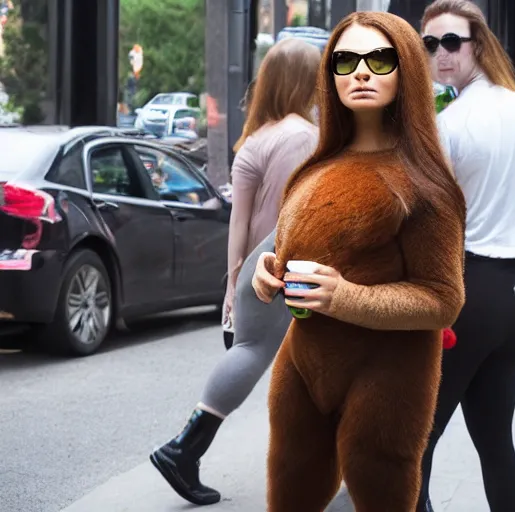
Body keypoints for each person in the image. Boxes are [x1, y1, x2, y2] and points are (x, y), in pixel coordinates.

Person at [251, 11, 466, 512]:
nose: (361, 71)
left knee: (381, 486)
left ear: (406, 69)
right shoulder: (315, 166)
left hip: (389, 374)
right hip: (301, 365)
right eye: (345, 60)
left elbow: (443, 300)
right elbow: (292, 249)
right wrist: (269, 272)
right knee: (288, 487)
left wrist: (345, 297)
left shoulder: (426, 184)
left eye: (378, 58)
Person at [149, 37, 321, 506]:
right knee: (268, 356)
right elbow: (300, 213)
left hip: (253, 268)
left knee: (264, 355)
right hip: (285, 265)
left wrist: (233, 283)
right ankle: (182, 449)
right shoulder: (302, 136)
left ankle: (187, 450)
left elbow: (238, 222)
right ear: (303, 82)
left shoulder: (254, 138)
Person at [416, 1, 515, 511]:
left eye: (451, 42)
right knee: (495, 443)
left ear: (477, 44)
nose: (441, 53)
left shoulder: (451, 122)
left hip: (468, 294)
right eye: (430, 44)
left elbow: (430, 214)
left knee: (412, 444)